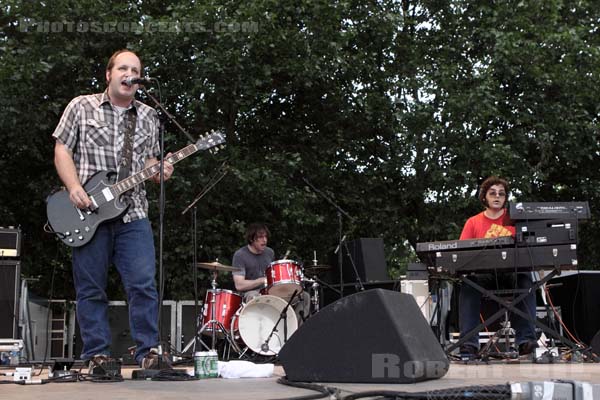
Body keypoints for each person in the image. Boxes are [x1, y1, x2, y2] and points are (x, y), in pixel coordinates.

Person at [52, 49, 174, 371]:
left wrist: (160, 169)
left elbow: (150, 160)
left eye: (135, 69)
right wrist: (74, 187)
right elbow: (62, 148)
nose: (129, 74)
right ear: (109, 74)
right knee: (90, 287)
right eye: (123, 67)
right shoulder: (81, 105)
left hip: (133, 212)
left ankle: (147, 351)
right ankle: (97, 355)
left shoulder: (148, 116)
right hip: (89, 211)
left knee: (143, 283)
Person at [458, 176, 537, 358]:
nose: (497, 196)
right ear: (484, 197)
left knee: (525, 279)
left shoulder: (515, 221)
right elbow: (461, 252)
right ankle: (469, 345)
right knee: (469, 284)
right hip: (483, 276)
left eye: (501, 194)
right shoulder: (473, 222)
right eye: (492, 193)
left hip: (511, 273)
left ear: (505, 198)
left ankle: (526, 341)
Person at [232, 223, 311, 320]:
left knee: (304, 297)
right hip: (251, 293)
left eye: (265, 237)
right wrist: (261, 280)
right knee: (254, 296)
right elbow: (239, 285)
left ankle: (295, 331)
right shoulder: (240, 255)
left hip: (271, 290)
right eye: (260, 237)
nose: (264, 240)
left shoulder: (269, 252)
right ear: (251, 239)